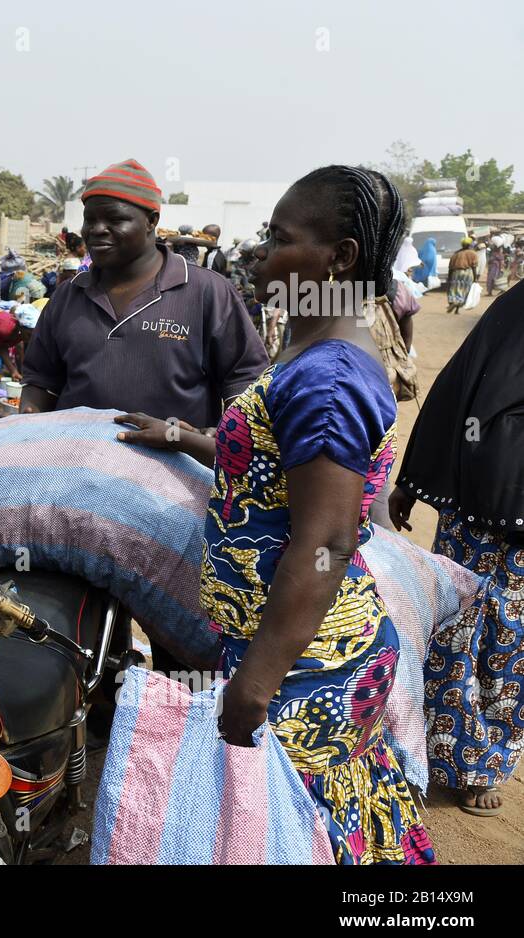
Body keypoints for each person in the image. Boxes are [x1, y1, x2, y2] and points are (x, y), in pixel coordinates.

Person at [117, 165, 435, 864]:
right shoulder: (312, 351)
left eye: (280, 238)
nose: (262, 253)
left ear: (340, 257)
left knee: (303, 832)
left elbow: (324, 539)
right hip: (298, 646)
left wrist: (255, 684)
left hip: (306, 663)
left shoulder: (328, 378)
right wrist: (183, 436)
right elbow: (274, 465)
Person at [389, 282, 524, 817]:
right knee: (457, 625)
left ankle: (486, 761)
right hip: (474, 504)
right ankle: (455, 757)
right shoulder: (512, 310)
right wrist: (415, 482)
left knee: (511, 640)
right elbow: (455, 392)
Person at [20, 159, 267, 431]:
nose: (97, 229)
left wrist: (230, 437)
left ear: (151, 221)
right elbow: (40, 383)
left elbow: (245, 378)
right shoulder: (69, 295)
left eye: (115, 219)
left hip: (174, 467)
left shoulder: (206, 291)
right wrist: (22, 428)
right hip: (73, 465)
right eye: (90, 220)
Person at [445, 237, 478, 314]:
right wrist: (475, 278)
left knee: (454, 290)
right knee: (464, 291)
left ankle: (453, 303)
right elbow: (474, 266)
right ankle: (457, 309)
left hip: (456, 273)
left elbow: (450, 267)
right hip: (467, 273)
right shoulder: (473, 253)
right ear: (470, 245)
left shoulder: (456, 254)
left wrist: (449, 277)